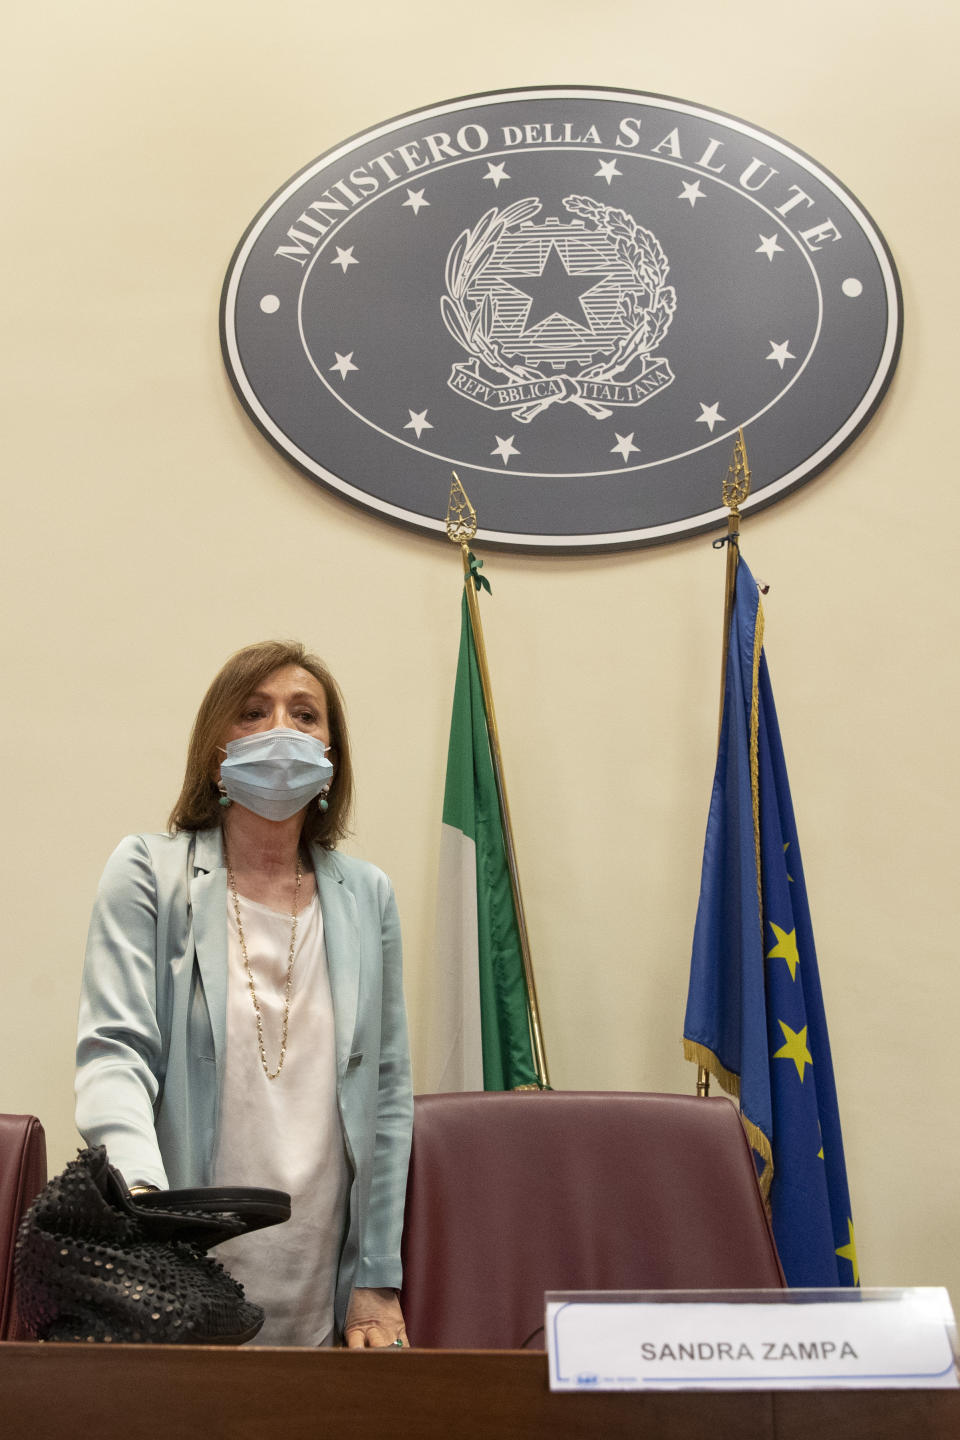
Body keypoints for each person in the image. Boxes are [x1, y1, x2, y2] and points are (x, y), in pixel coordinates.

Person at [75, 640, 413, 1347]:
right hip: (176, 1273)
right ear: (215, 754)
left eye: (305, 714)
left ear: (332, 757)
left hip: (320, 1284)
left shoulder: (367, 897)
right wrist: (144, 1204)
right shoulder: (147, 872)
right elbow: (114, 1056)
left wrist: (376, 1281)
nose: (282, 730)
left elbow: (386, 1097)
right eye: (253, 712)